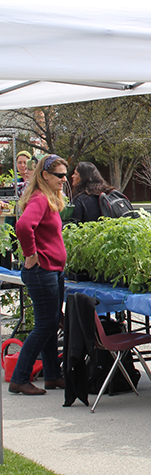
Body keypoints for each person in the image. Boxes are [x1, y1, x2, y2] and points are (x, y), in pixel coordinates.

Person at [8, 154, 68, 396]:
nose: (64, 179)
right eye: (59, 175)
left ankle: (53, 375)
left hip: (52, 270)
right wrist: (30, 253)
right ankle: (19, 378)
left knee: (52, 322)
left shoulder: (49, 199)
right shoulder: (40, 198)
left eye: (65, 175)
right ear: (45, 175)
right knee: (45, 325)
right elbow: (23, 226)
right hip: (42, 270)